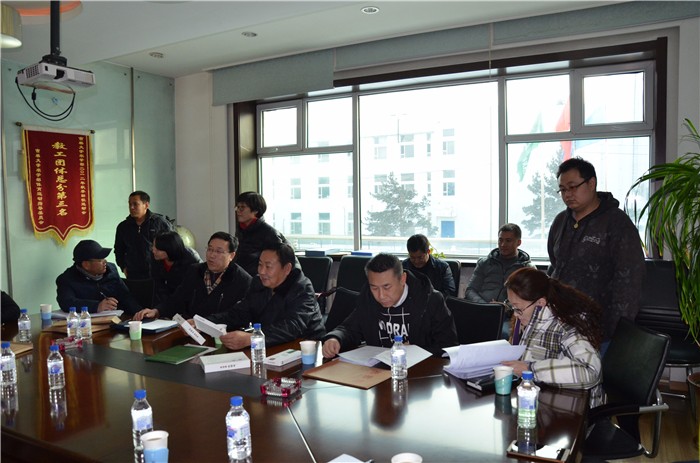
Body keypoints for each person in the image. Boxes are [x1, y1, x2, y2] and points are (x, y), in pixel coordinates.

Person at [547, 157, 645, 347]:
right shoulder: (560, 221)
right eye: (562, 189)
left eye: (573, 187)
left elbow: (630, 280)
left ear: (591, 183)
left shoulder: (617, 223)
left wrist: (619, 329)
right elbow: (555, 262)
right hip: (561, 321)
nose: (567, 194)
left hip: (601, 325)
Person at [322, 253, 458, 358]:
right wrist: (335, 338)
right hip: (377, 371)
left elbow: (449, 346)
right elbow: (350, 328)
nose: (381, 295)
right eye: (374, 287)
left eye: (387, 287)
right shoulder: (368, 298)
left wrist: (415, 350)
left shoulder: (431, 300)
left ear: (402, 279)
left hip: (418, 374)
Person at [206, 242, 325, 350]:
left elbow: (292, 327)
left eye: (268, 266)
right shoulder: (258, 283)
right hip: (269, 346)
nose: (262, 271)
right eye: (260, 264)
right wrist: (205, 323)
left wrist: (252, 338)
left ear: (287, 268)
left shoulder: (302, 288)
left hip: (306, 348)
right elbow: (239, 313)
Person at [501, 267, 602, 390]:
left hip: (570, 400)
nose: (515, 314)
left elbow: (590, 371)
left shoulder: (566, 327)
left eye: (518, 308)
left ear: (540, 303)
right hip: (539, 392)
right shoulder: (526, 321)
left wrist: (530, 369)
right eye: (512, 307)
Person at [133, 232, 251, 321]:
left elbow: (237, 315)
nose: (212, 255)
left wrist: (204, 323)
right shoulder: (195, 271)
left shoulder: (242, 280)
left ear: (231, 255)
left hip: (222, 335)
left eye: (219, 252)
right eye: (210, 249)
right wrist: (157, 311)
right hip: (190, 330)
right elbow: (177, 299)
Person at [56, 239, 141, 315]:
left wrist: (139, 312)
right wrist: (97, 306)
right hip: (88, 323)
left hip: (116, 318)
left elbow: (125, 295)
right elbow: (66, 302)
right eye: (100, 260)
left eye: (104, 258)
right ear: (86, 265)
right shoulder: (67, 279)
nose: (105, 262)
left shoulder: (111, 270)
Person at [465, 223, 536, 303]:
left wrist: (506, 306)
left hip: (511, 309)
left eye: (508, 241)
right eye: (500, 240)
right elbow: (470, 290)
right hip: (481, 306)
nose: (503, 244)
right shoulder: (485, 263)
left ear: (518, 242)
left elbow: (530, 297)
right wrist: (483, 304)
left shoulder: (527, 268)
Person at [114, 190, 173, 280]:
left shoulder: (160, 223)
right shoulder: (123, 226)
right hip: (133, 275)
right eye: (130, 204)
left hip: (158, 274)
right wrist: (123, 267)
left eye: (135, 204)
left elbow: (172, 247)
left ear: (146, 205)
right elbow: (119, 249)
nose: (131, 207)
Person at [233, 191, 289, 277]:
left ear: (255, 210)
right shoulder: (241, 229)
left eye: (242, 207)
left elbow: (281, 262)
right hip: (242, 278)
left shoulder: (269, 233)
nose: (238, 211)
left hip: (261, 280)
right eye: (237, 207)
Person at [150, 231, 202, 306]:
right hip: (168, 297)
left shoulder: (191, 260)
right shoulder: (156, 257)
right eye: (153, 246)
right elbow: (158, 284)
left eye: (158, 249)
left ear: (169, 249)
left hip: (188, 300)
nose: (153, 250)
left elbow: (190, 289)